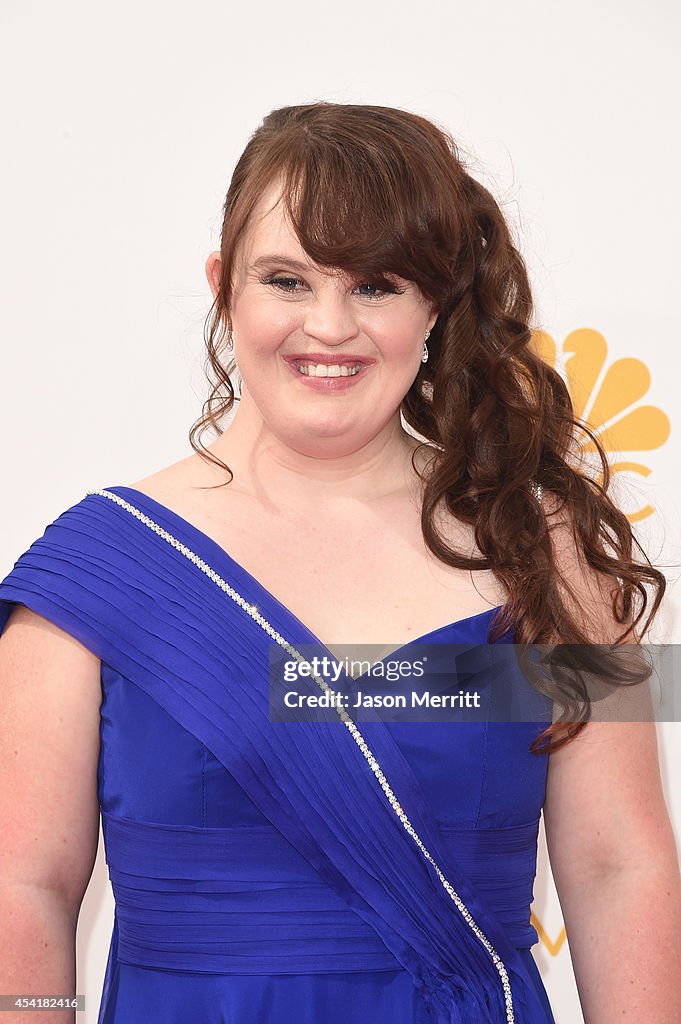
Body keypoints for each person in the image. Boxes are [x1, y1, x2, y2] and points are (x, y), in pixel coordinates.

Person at [0, 102, 679, 1024]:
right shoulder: (96, 571)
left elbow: (619, 868)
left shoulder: (542, 546)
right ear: (223, 287)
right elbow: (26, 884)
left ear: (434, 304)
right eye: (286, 279)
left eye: (376, 285)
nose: (328, 327)